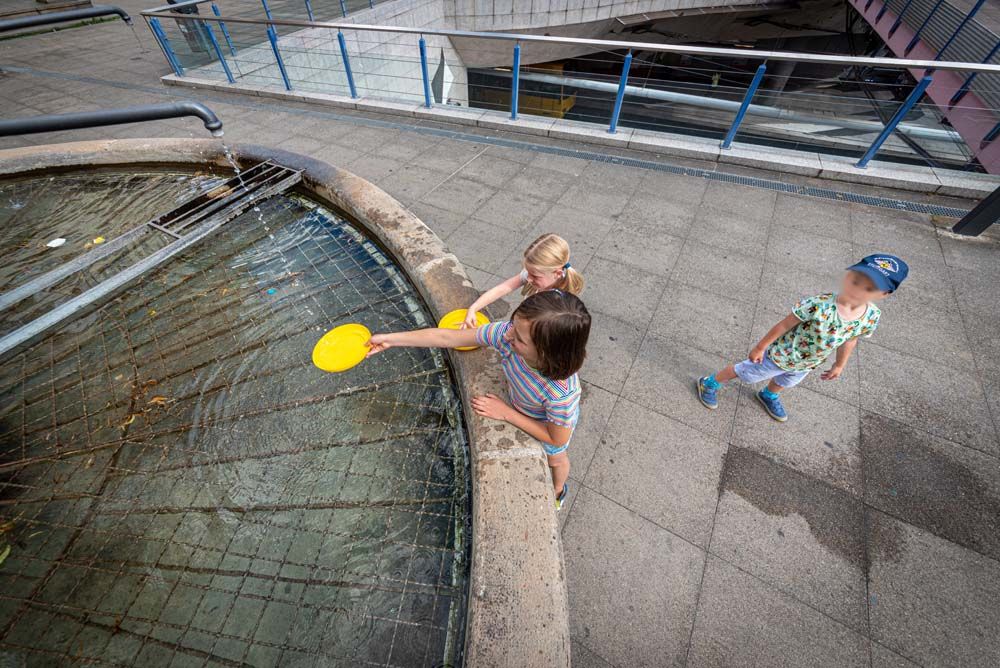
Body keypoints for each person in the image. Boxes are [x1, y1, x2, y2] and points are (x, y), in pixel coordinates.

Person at [368, 290, 590, 508]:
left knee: (556, 460)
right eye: (512, 325)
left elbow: (555, 438)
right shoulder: (506, 334)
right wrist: (391, 339)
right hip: (527, 400)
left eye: (520, 339)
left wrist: (507, 413)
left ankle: (558, 490)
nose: (507, 335)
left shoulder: (561, 395)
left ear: (546, 353)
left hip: (548, 423)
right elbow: (448, 337)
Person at [696, 254, 908, 422]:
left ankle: (768, 395)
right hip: (782, 354)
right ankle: (710, 382)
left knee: (786, 381)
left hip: (809, 362)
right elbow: (785, 324)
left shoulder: (871, 317)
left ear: (884, 294)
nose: (857, 290)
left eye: (869, 288)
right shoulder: (819, 304)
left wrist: (839, 365)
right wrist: (761, 347)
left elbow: (850, 340)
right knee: (746, 372)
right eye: (855, 281)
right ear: (848, 276)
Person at [462, 233, 584, 329]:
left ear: (557, 273)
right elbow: (502, 289)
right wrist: (474, 308)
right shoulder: (539, 275)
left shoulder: (559, 304)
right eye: (528, 272)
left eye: (535, 276)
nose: (528, 278)